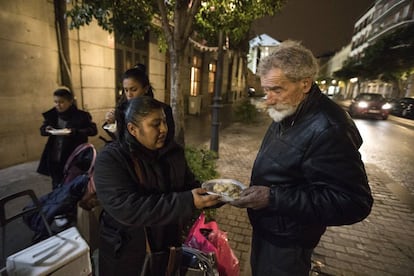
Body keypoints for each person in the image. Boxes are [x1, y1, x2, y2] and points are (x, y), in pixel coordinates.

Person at [231, 40, 373, 276]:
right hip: (269, 230)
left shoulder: (329, 127)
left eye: (277, 90)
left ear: (305, 83)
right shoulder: (290, 109)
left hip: (289, 244)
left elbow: (354, 202)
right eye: (266, 90)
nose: (269, 99)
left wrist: (273, 197)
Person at [94, 96, 220, 276]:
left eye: (164, 122)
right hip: (127, 254)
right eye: (155, 124)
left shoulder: (173, 153)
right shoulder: (111, 159)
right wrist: (187, 201)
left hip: (167, 248)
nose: (163, 129)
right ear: (133, 129)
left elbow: (188, 186)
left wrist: (217, 195)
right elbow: (129, 208)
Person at [37, 87, 97, 189]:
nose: (58, 105)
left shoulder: (81, 116)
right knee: (56, 187)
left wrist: (75, 132)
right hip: (55, 157)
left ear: (70, 102)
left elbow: (93, 130)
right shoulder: (52, 116)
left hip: (73, 158)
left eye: (61, 102)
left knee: (72, 187)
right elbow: (43, 130)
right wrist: (46, 129)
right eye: (55, 102)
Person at [102, 64, 175, 142]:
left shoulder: (163, 110)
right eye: (126, 90)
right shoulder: (122, 110)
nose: (129, 95)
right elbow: (118, 140)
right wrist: (112, 123)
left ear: (146, 89)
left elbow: (168, 140)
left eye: (133, 89)